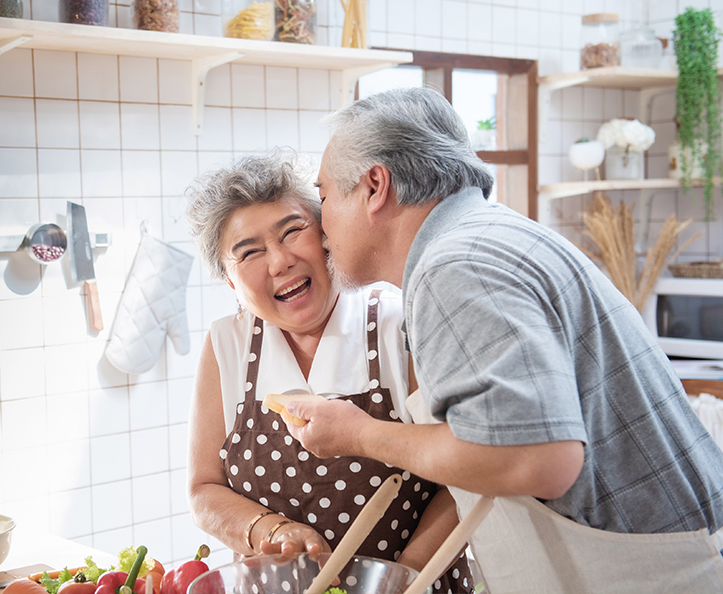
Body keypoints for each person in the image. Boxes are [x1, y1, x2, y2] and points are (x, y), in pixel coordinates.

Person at [281, 87, 723, 593]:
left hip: (648, 573)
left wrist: (359, 435)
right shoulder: (486, 235)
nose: (319, 228)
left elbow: (537, 458)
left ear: (375, 187)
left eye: (324, 197)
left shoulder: (455, 266)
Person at [183, 149, 473, 594]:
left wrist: (396, 583)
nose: (280, 261)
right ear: (230, 282)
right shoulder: (227, 345)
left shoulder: (399, 323)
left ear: (325, 233)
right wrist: (271, 530)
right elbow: (204, 491)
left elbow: (463, 484)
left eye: (292, 231)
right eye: (250, 252)